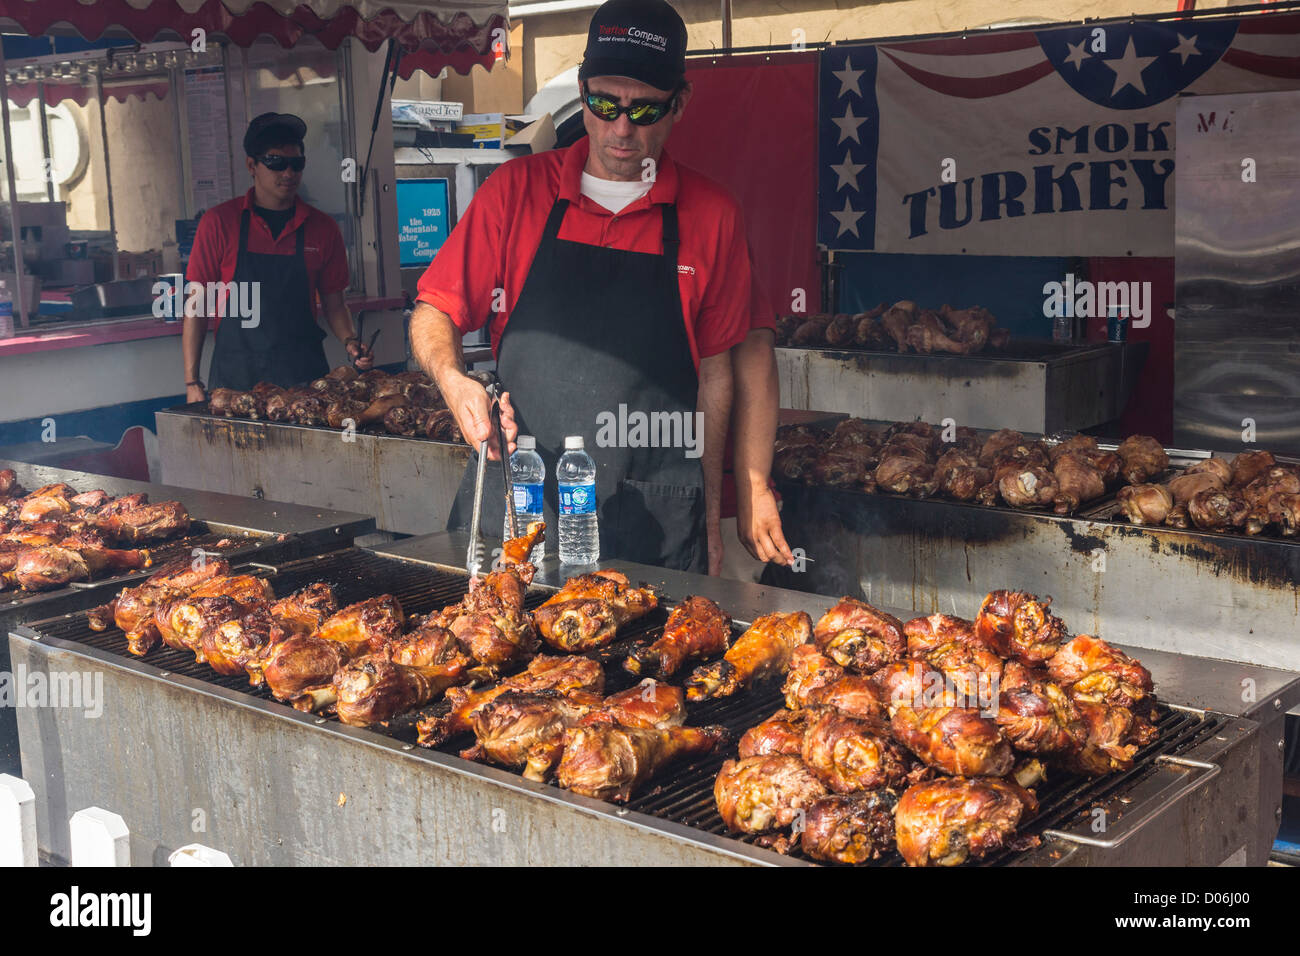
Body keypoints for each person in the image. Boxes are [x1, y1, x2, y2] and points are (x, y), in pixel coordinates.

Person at [410, 0, 789, 574]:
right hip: (522, 508)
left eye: (643, 110)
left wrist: (712, 524)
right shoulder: (515, 193)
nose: (620, 128)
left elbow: (719, 375)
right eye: (604, 103)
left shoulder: (711, 216)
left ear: (678, 105)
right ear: (583, 91)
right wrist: (453, 379)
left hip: (655, 522)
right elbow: (434, 307)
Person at [182, 112, 372, 400]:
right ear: (252, 165)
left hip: (303, 378)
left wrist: (350, 341)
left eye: (296, 164)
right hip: (235, 380)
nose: (288, 173)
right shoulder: (220, 223)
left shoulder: (323, 229)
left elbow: (334, 302)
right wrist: (191, 382)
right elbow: (196, 306)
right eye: (276, 163)